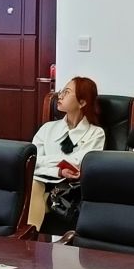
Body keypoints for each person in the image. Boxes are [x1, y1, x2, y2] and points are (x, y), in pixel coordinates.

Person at [26, 76, 105, 235]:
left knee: (30, 197)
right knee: (34, 183)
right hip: (43, 180)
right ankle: (30, 240)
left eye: (67, 92)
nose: (60, 96)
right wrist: (58, 170)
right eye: (61, 91)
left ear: (82, 102)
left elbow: (78, 163)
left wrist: (49, 164)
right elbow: (32, 160)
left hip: (70, 189)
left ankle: (27, 241)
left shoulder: (96, 133)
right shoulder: (48, 128)